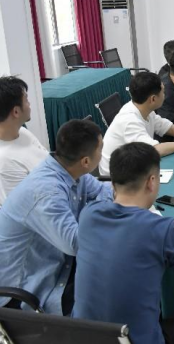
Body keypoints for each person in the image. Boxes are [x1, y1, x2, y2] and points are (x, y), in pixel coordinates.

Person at [73, 142, 174, 344]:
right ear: (151, 182)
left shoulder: (88, 214)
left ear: (112, 183)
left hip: (82, 337)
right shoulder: (162, 229)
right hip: (132, 340)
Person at [0, 120, 112, 314]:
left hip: (59, 261)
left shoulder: (70, 169)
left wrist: (98, 208)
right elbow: (76, 244)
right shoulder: (46, 193)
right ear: (86, 161)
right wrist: (101, 211)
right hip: (29, 289)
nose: (102, 154)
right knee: (115, 284)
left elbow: (103, 190)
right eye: (100, 149)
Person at [99, 72, 174, 176]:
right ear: (153, 99)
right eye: (163, 92)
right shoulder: (130, 121)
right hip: (116, 178)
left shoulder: (144, 108)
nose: (164, 95)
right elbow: (155, 150)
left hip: (132, 164)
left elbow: (171, 128)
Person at [0, 76, 48, 206]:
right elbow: (24, 210)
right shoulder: (5, 163)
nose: (29, 104)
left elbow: (48, 160)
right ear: (16, 111)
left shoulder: (22, 132)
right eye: (26, 100)